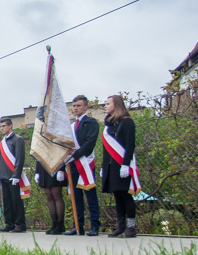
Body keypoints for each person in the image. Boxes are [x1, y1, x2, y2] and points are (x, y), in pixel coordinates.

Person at [102, 94, 139, 238]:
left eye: (108, 103)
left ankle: (131, 227)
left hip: (123, 164)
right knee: (117, 195)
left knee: (126, 195)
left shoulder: (127, 122)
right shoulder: (110, 124)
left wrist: (125, 164)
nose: (105, 106)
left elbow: (130, 145)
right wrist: (104, 167)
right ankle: (120, 226)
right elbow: (106, 148)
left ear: (116, 105)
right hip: (111, 166)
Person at [65, 95, 101, 236]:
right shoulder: (72, 126)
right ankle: (77, 226)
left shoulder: (91, 123)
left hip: (86, 164)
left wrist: (74, 155)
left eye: (79, 106)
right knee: (76, 197)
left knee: (90, 196)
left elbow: (89, 144)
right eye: (74, 106)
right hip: (73, 165)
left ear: (86, 107)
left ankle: (94, 226)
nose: (76, 108)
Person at [0, 117, 27, 233]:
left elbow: (19, 159)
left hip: (13, 177)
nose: (1, 128)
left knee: (16, 201)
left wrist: (16, 175)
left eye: (4, 126)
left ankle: (20, 224)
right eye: (1, 126)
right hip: (4, 176)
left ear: (10, 126)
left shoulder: (18, 139)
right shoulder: (2, 142)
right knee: (6, 201)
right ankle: (9, 223)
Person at [34, 160, 67, 235]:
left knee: (56, 195)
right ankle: (54, 223)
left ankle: (60, 224)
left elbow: (61, 154)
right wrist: (37, 171)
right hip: (44, 168)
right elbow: (39, 154)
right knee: (49, 196)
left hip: (55, 166)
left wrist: (61, 169)